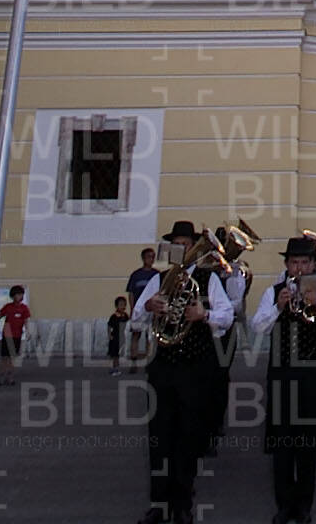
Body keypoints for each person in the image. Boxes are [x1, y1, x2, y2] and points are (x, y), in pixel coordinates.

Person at [132, 218, 235, 524]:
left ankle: (183, 502)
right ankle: (159, 503)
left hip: (194, 369)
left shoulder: (207, 279)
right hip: (163, 367)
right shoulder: (159, 279)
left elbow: (227, 316)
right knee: (159, 437)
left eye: (186, 245)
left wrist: (203, 314)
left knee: (188, 436)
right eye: (176, 245)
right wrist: (150, 306)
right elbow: (137, 319)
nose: (181, 249)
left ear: (194, 247)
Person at [251, 233, 316, 524]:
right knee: (282, 442)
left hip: (311, 372)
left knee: (306, 442)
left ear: (313, 264)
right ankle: (283, 503)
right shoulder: (273, 291)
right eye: (294, 262)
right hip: (282, 371)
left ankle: (304, 504)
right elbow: (258, 326)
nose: (300, 268)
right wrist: (278, 307)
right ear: (287, 265)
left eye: (305, 262)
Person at [126, 247, 161, 372]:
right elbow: (131, 293)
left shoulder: (157, 275)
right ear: (143, 258)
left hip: (152, 311)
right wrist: (132, 308)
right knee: (136, 335)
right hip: (139, 309)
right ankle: (133, 362)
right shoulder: (136, 275)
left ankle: (148, 361)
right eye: (148, 257)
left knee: (149, 336)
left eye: (153, 256)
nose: (151, 259)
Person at [0, 285, 31, 386]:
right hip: (7, 335)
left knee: (13, 357)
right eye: (18, 294)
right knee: (4, 357)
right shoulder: (8, 307)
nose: (20, 296)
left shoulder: (24, 308)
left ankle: (10, 377)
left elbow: (26, 320)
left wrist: (28, 331)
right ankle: (1, 377)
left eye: (21, 294)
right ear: (13, 296)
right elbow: (0, 315)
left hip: (17, 335)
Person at [108, 293, 131, 376]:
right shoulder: (114, 316)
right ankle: (114, 368)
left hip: (122, 337)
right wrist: (109, 335)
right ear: (116, 306)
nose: (123, 307)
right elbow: (109, 326)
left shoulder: (125, 316)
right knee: (114, 355)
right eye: (121, 305)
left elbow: (128, 324)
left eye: (124, 305)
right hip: (115, 337)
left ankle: (117, 368)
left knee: (118, 353)